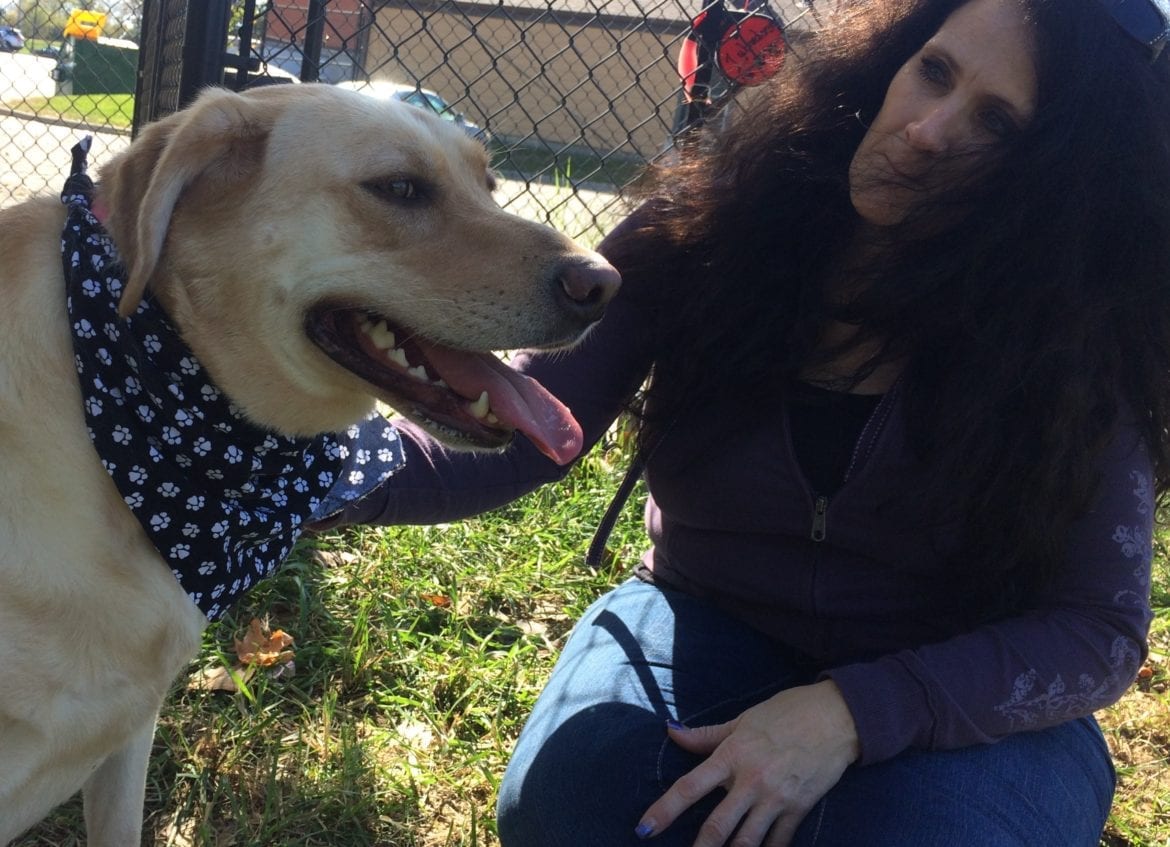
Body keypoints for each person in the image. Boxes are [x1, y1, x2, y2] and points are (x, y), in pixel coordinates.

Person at [312, 0, 1170, 842]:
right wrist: (298, 472)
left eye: (997, 124)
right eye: (935, 71)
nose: (926, 130)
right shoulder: (711, 226)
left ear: (1062, 176)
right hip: (706, 614)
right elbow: (527, 432)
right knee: (573, 800)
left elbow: (1096, 630)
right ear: (893, 61)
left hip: (955, 680)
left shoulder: (1083, 332)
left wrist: (852, 712)